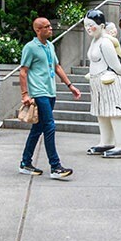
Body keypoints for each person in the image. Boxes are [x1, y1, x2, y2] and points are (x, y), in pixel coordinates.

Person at [18, 17, 80, 180]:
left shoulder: (50, 46)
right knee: (49, 126)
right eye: (46, 27)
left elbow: (57, 67)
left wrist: (70, 85)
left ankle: (25, 163)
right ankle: (55, 166)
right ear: (37, 30)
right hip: (39, 93)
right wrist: (25, 94)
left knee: (37, 129)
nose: (50, 29)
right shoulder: (30, 48)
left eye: (50, 26)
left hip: (51, 92)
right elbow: (23, 71)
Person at [84, 9, 121, 158]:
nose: (88, 28)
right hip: (98, 83)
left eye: (91, 25)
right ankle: (106, 142)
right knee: (102, 113)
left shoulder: (105, 42)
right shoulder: (95, 41)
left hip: (111, 82)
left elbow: (116, 65)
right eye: (86, 25)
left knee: (117, 113)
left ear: (102, 26)